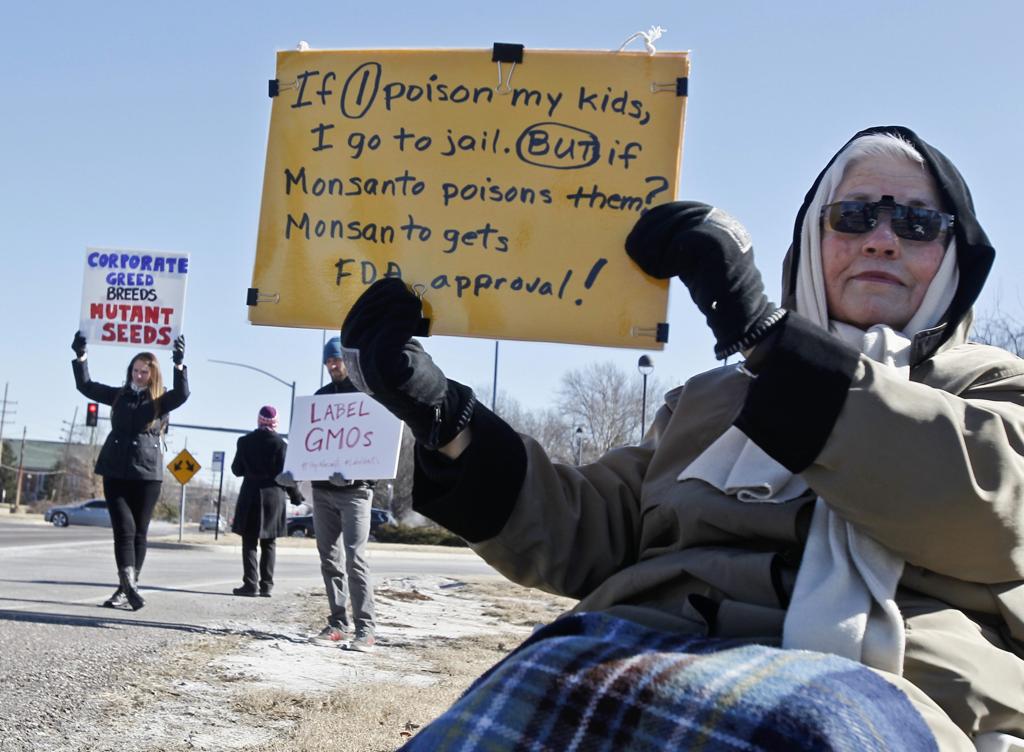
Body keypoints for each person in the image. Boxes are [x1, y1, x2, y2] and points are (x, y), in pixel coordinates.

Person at [338, 126, 1024, 750]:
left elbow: (985, 507)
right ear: (814, 244)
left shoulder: (994, 388)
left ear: (956, 253)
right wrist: (444, 418)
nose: (882, 238)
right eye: (853, 216)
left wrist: (767, 338)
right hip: (638, 652)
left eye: (916, 222)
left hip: (884, 683)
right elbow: (590, 530)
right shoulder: (707, 400)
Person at [71, 331, 189, 611]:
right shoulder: (118, 396)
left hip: (147, 474)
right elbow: (86, 385)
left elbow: (183, 393)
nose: (138, 376)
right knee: (123, 530)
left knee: (139, 533)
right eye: (135, 371)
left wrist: (180, 365)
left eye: (144, 372)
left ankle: (126, 589)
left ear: (152, 375)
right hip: (115, 469)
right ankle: (130, 586)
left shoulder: (161, 401)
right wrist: (80, 356)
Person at [280, 337, 378, 652]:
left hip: (355, 493)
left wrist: (356, 473)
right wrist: (292, 472)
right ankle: (338, 623)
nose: (334, 365)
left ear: (348, 361)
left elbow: (379, 450)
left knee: (355, 558)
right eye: (329, 361)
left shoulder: (368, 397)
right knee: (329, 558)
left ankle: (366, 629)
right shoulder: (320, 401)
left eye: (337, 359)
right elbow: (305, 444)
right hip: (322, 492)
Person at [229, 405, 303, 597]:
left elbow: (236, 470)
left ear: (258, 420)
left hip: (250, 495)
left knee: (249, 542)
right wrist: (296, 496)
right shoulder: (282, 445)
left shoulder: (244, 442)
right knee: (269, 544)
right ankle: (267, 586)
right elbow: (287, 476)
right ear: (276, 422)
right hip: (274, 498)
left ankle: (250, 585)